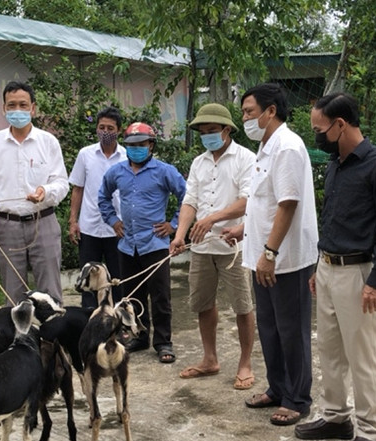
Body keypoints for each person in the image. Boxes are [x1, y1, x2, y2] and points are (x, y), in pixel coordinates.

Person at [294, 92, 376, 441]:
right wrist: (319, 266)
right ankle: (335, 416)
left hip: (359, 274)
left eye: (319, 128)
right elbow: (332, 219)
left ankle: (369, 429)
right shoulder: (335, 164)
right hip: (327, 269)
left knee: (363, 355)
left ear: (340, 125)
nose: (317, 135)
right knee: (330, 349)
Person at [222, 83, 319, 426]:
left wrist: (270, 251)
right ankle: (278, 388)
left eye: (249, 112)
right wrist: (243, 231)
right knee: (270, 328)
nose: (245, 118)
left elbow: (287, 203)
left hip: (284, 258)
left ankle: (298, 398)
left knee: (292, 330)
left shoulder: (288, 147)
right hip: (264, 255)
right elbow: (262, 203)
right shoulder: (267, 148)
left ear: (271, 111)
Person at [170, 103, 256, 389]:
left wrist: (212, 219)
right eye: (203, 132)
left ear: (227, 130)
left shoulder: (245, 158)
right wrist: (180, 235)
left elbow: (248, 201)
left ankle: (245, 363)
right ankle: (210, 359)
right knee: (202, 304)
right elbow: (189, 201)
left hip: (235, 245)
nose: (207, 136)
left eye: (212, 131)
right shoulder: (199, 162)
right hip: (201, 247)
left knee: (243, 306)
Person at [0, 81, 69, 304]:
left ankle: (51, 338)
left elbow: (61, 183)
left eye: (23, 104)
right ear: (4, 109)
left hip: (43, 222)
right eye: (12, 105)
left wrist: (44, 191)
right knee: (13, 294)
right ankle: (20, 339)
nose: (17, 110)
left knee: (49, 291)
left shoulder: (48, 141)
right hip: (8, 225)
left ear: (33, 108)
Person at [99, 122, 186, 363]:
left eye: (141, 144)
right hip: (128, 245)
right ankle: (139, 336)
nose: (136, 149)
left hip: (155, 244)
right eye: (131, 145)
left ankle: (163, 342)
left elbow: (186, 197)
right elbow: (103, 196)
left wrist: (174, 224)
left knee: (160, 297)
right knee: (132, 296)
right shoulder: (116, 172)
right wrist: (113, 221)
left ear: (151, 145)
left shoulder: (164, 171)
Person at [68, 106, 126, 307]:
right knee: (88, 280)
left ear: (119, 130)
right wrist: (73, 221)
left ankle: (117, 320)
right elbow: (78, 188)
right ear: (96, 129)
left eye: (110, 128)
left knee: (118, 279)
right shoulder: (85, 155)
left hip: (117, 229)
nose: (106, 132)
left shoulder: (127, 157)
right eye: (102, 127)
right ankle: (89, 321)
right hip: (89, 227)